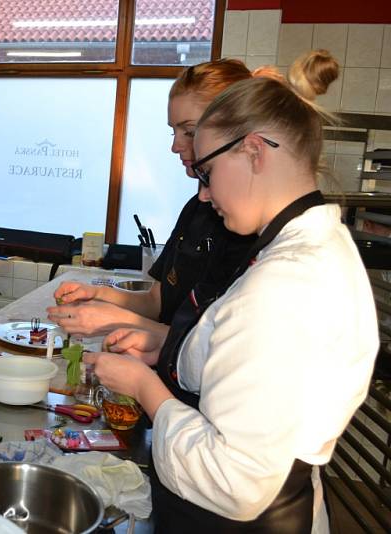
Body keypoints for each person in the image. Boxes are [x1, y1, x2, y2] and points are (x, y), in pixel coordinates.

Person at [87, 63, 378, 531]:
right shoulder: (307, 246)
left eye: (207, 172)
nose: (202, 195)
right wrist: (168, 350)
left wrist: (144, 386)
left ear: (254, 152)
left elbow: (234, 481)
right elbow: (245, 357)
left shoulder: (286, 285)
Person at [47, 59, 257, 337]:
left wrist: (115, 320)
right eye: (173, 131)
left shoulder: (248, 229)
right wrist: (96, 295)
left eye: (190, 132)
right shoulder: (195, 209)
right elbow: (157, 302)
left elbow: (210, 346)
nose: (175, 146)